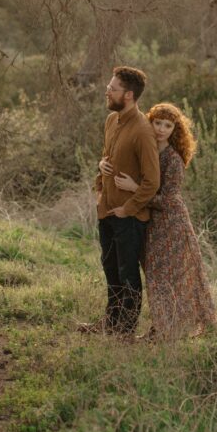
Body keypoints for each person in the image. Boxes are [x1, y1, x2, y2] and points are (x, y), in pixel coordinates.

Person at [114, 102, 215, 340]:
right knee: (155, 278)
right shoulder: (146, 149)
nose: (160, 129)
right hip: (149, 224)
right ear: (149, 122)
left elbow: (169, 200)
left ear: (174, 130)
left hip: (171, 225)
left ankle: (166, 331)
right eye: (157, 123)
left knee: (168, 279)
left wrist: (135, 189)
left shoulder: (173, 160)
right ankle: (161, 328)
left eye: (167, 125)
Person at [81, 66, 160, 336]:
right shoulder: (111, 121)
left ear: (128, 95)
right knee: (110, 270)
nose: (107, 91)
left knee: (128, 276)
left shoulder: (143, 131)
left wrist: (128, 208)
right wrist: (101, 174)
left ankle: (125, 332)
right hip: (107, 211)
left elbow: (152, 182)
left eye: (112, 88)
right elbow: (106, 156)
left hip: (129, 218)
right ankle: (110, 324)